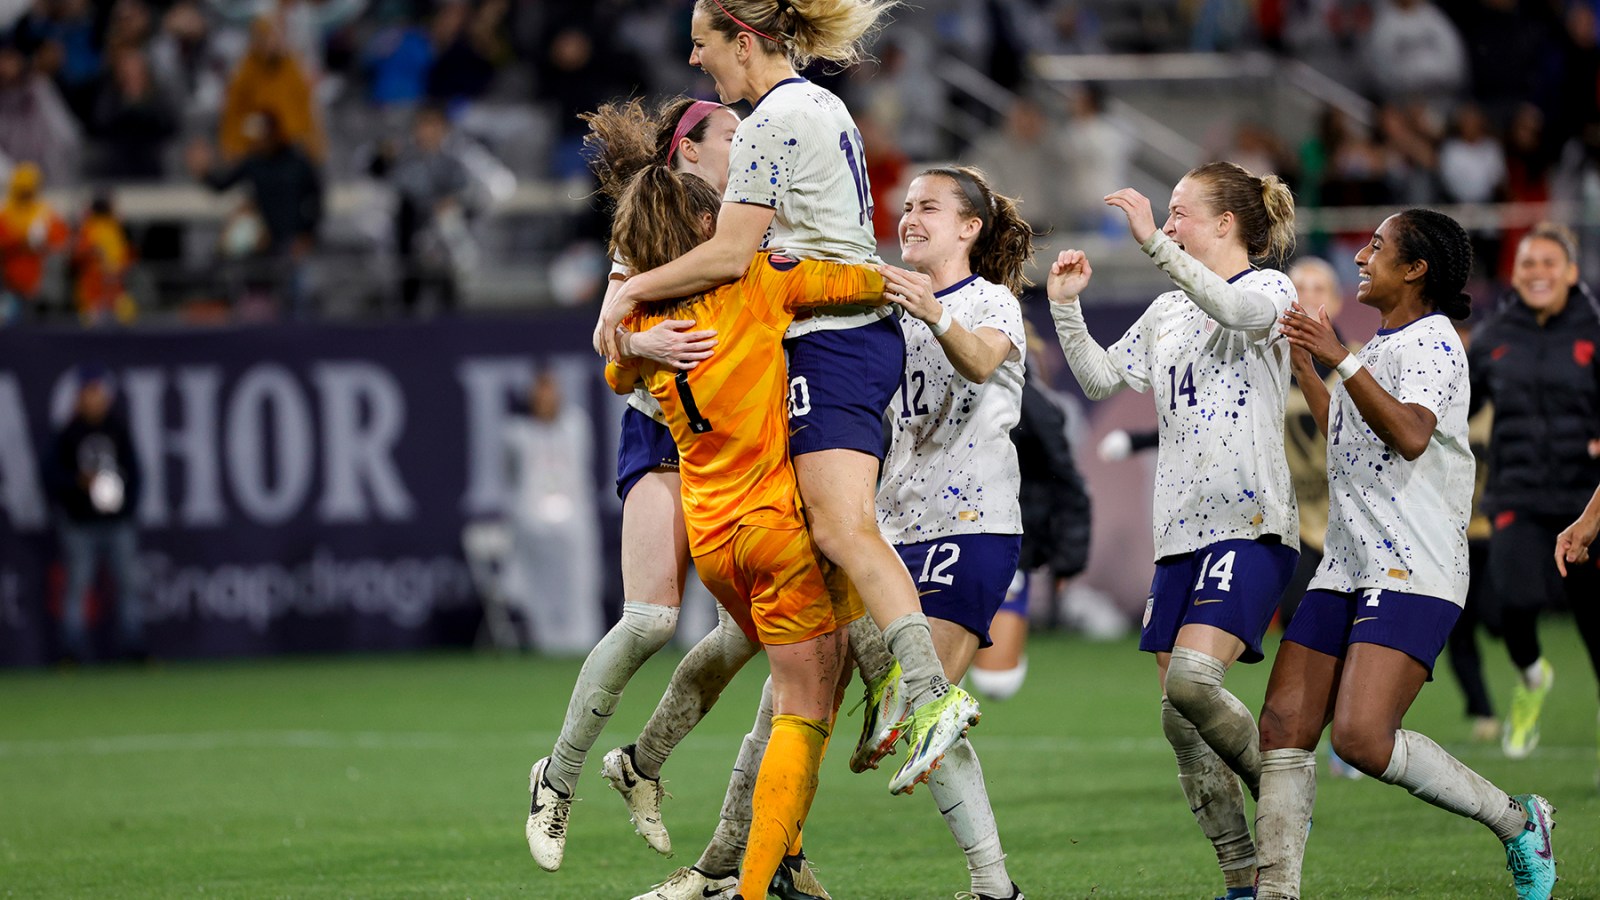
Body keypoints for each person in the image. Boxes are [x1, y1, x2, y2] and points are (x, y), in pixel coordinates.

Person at [594, 0, 979, 801]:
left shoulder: (771, 120)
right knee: (811, 555)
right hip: (831, 334)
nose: (698, 60)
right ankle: (875, 709)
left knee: (842, 528)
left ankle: (930, 695)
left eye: (703, 44)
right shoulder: (819, 103)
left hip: (832, 341)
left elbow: (732, 255)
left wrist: (627, 299)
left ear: (745, 38)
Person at [589, 151, 887, 900]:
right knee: (802, 712)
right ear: (700, 226)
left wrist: (628, 333)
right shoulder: (756, 280)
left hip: (715, 544)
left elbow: (614, 368)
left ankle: (676, 785)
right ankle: (753, 886)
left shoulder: (645, 327)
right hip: (774, 526)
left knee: (808, 647)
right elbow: (860, 282)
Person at [1253, 209, 1556, 900]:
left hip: (1414, 568)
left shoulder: (1434, 342)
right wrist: (1306, 363)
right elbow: (1351, 434)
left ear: (1416, 269)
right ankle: (1277, 892)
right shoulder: (1383, 345)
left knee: (1361, 739)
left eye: (1378, 248)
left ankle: (1517, 822)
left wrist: (1339, 355)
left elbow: (1412, 434)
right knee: (1283, 727)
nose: (1361, 256)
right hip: (1348, 565)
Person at [1047, 161, 1301, 899]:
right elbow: (1100, 379)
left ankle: (1284, 798)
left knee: (1194, 681)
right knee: (1180, 722)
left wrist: (1156, 250)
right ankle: (1241, 881)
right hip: (1178, 540)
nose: (1167, 225)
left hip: (1249, 526)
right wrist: (1067, 308)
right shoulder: (1167, 311)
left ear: (1226, 224)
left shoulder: (1268, 290)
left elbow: (1235, 312)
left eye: (1180, 212)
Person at [523, 94, 748, 870]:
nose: (746, 146)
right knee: (651, 618)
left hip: (738, 438)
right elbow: (607, 331)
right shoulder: (651, 215)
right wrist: (651, 340)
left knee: (752, 631)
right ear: (689, 151)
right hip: (662, 428)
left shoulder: (757, 212)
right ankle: (557, 778)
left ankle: (643, 761)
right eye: (732, 136)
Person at [869, 164, 1033, 899]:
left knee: (925, 707)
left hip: (974, 523)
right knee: (897, 700)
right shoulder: (891, 310)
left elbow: (978, 359)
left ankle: (994, 886)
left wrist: (933, 312)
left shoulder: (989, 301)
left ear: (969, 227)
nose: (910, 217)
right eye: (906, 207)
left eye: (928, 207)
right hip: (893, 526)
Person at [1467, 222, 1600, 761]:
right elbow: (1456, 410)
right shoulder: (1495, 335)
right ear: (1514, 273)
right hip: (1517, 496)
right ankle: (1531, 676)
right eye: (1527, 263)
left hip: (1587, 502)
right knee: (1509, 608)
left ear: (1570, 271)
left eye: (1549, 262)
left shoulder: (1595, 328)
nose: (1537, 272)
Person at [42, 364, 144, 663]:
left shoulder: (117, 430)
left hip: (117, 523)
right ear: (79, 396)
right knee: (77, 586)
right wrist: (78, 483)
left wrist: (126, 508)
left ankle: (133, 647)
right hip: (80, 524)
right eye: (89, 392)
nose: (94, 398)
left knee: (128, 585)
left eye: (98, 392)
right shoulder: (68, 434)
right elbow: (51, 478)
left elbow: (135, 475)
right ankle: (72, 650)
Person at [501, 370, 602, 654]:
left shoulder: (576, 425)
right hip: (534, 525)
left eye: (550, 392)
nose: (545, 399)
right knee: (539, 589)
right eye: (540, 393)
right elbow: (511, 478)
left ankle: (584, 645)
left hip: (574, 523)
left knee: (579, 585)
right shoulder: (516, 434)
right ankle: (545, 644)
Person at [0, 162, 69, 324]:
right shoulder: (5, 213)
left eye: (28, 189)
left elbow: (61, 243)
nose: (25, 193)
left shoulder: (45, 212)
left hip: (41, 284)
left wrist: (44, 246)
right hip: (9, 282)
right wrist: (22, 242)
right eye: (21, 189)